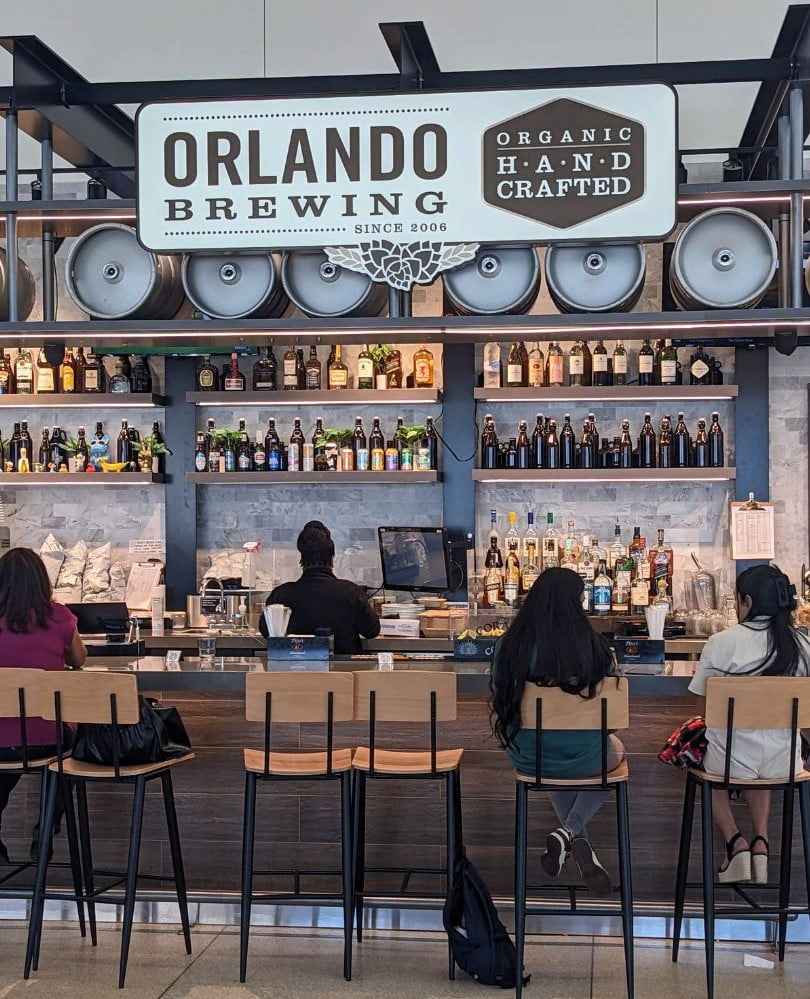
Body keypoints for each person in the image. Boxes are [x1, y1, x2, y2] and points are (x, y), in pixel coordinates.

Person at [489, 567, 624, 896]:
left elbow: (497, 693)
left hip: (529, 757)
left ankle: (571, 837)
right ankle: (569, 831)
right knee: (615, 759)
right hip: (585, 758)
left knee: (549, 757)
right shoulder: (593, 646)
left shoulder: (511, 645)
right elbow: (614, 717)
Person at [688, 563, 810, 884]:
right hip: (786, 765)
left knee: (695, 756)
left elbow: (704, 711)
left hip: (727, 764)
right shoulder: (803, 645)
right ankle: (761, 839)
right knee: (763, 762)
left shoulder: (722, 642)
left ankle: (734, 840)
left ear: (748, 602)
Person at [0, 547, 87, 864]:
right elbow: (79, 660)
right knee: (68, 760)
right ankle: (47, 825)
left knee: (4, 767)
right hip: (48, 741)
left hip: (0, 742)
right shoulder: (60, 616)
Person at [260, 521, 380, 654]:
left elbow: (266, 632)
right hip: (342, 673)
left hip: (293, 673)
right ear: (332, 557)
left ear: (302, 558)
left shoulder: (280, 595)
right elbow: (372, 631)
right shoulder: (351, 593)